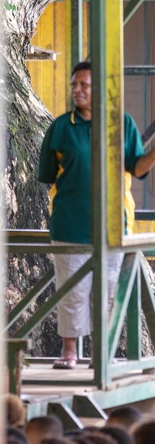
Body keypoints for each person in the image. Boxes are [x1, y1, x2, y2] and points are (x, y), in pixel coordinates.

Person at [38, 60, 155, 369]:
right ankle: (69, 352)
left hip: (113, 225)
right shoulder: (61, 127)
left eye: (84, 86)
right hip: (69, 224)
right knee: (71, 291)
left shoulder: (122, 124)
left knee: (107, 293)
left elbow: (138, 167)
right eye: (74, 84)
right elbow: (49, 174)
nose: (76, 90)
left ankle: (101, 356)